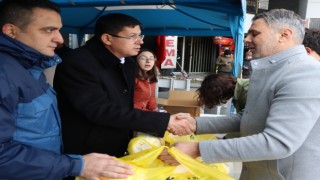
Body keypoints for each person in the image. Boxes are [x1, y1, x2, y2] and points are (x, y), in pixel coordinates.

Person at [159, 9, 320, 179]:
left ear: (284, 35)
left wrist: (197, 149)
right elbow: (248, 118)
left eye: (254, 34)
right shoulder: (269, 70)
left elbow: (278, 143)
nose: (246, 39)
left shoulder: (305, 73)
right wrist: (196, 124)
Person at [0, 0, 134, 179]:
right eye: (48, 30)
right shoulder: (4, 72)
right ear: (11, 31)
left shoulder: (30, 68)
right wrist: (76, 165)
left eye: (58, 30)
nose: (60, 39)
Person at [53, 13, 195, 178]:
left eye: (140, 35)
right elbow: (100, 110)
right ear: (107, 39)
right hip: (87, 150)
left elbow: (126, 105)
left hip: (117, 144)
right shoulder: (78, 63)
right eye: (132, 36)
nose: (140, 41)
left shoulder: (128, 63)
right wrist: (163, 121)